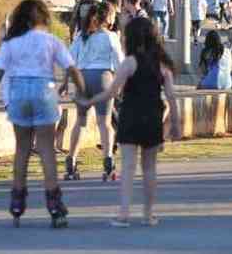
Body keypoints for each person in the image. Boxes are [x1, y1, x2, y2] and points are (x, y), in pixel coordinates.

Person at [0, 0, 86, 228]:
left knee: (22, 149)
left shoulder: (11, 43)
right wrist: (83, 92)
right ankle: (55, 205)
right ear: (43, 18)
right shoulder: (52, 41)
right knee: (47, 150)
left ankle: (18, 201)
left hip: (18, 92)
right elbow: (72, 69)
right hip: (44, 90)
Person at [77, 17, 181, 227]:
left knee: (128, 168)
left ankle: (123, 214)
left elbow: (111, 92)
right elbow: (171, 97)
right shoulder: (162, 66)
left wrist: (88, 100)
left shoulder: (130, 62)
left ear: (131, 38)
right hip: (153, 117)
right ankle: (148, 215)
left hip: (131, 116)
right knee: (150, 169)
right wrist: (175, 123)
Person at [62, 2, 123, 181]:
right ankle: (108, 163)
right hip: (103, 77)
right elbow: (119, 61)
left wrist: (65, 82)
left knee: (80, 122)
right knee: (104, 123)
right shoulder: (110, 36)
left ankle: (71, 163)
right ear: (109, 18)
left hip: (81, 79)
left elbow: (69, 60)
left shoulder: (81, 36)